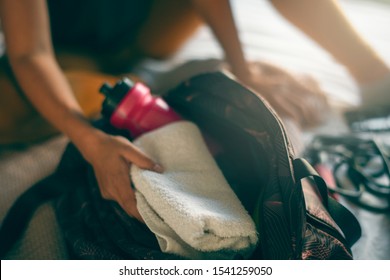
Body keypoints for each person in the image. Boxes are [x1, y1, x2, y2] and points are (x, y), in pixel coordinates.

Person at [0, 0, 389, 222]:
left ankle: (375, 74)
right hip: (66, 50)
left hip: (146, 27)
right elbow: (29, 52)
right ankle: (114, 87)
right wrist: (89, 139)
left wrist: (242, 69)